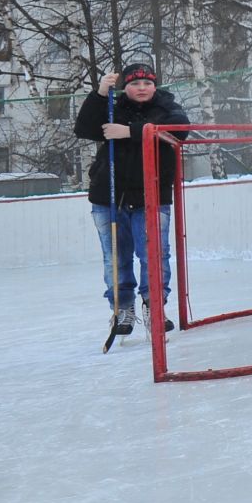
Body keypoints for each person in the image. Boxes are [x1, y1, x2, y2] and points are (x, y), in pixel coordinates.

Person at [73, 61, 190, 335]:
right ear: (126, 87)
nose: (142, 88)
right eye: (135, 83)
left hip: (151, 196)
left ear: (155, 85)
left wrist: (131, 131)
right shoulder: (114, 106)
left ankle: (154, 306)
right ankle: (122, 308)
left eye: (147, 83)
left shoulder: (166, 106)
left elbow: (180, 128)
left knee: (154, 255)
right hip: (109, 197)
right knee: (115, 257)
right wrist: (101, 92)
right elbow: (84, 128)